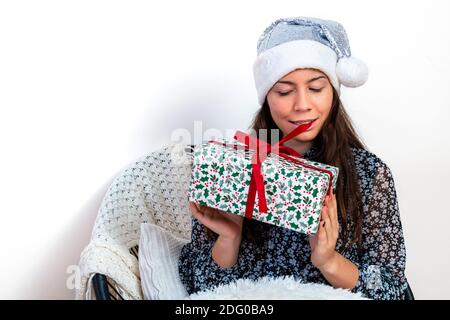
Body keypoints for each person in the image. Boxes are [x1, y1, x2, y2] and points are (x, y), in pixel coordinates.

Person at [178, 16, 408, 300]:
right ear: (266, 98)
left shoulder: (369, 173)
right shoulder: (233, 169)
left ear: (334, 93)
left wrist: (329, 261)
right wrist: (229, 238)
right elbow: (197, 289)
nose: (302, 105)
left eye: (315, 88)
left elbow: (394, 288)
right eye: (284, 91)